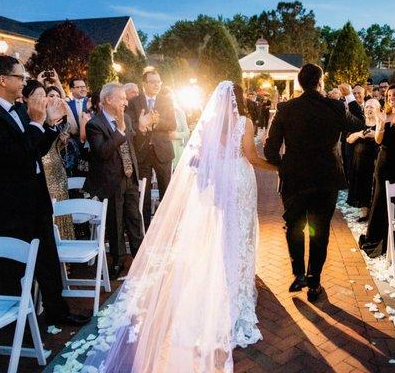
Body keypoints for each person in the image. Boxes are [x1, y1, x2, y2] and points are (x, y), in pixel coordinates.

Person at [75, 82, 275, 372]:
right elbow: (252, 157)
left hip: (220, 184)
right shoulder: (245, 122)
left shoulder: (208, 123)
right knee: (241, 235)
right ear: (239, 100)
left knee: (223, 234)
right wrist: (276, 167)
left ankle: (223, 284)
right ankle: (238, 290)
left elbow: (200, 159)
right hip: (240, 180)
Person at [0, 55, 89, 326]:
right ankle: (20, 322)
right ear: (3, 80)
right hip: (12, 203)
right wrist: (36, 123)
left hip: (37, 197)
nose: (24, 82)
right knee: (16, 266)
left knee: (48, 258)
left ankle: (57, 311)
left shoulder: (20, 109)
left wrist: (49, 126)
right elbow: (14, 157)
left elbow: (36, 149)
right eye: (19, 77)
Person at [264, 64, 363, 302]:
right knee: (319, 231)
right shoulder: (335, 107)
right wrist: (349, 96)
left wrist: (284, 165)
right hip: (325, 178)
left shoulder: (286, 109)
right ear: (320, 82)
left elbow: (270, 150)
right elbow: (359, 123)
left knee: (294, 225)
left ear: (299, 83)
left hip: (295, 179)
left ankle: (298, 273)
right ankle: (314, 280)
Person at [84, 83, 147, 278]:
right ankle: (118, 261)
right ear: (108, 100)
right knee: (116, 223)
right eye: (121, 98)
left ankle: (141, 257)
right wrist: (119, 131)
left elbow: (135, 146)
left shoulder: (127, 118)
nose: (125, 102)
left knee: (135, 219)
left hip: (130, 177)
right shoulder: (94, 124)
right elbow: (102, 152)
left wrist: (142, 130)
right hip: (111, 181)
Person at [359, 84, 395, 256]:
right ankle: (376, 239)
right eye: (389, 95)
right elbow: (378, 140)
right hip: (383, 162)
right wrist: (381, 123)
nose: (391, 98)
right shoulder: (384, 115)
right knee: (379, 199)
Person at [22, 81, 76, 241]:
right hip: (41, 168)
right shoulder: (26, 117)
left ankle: (66, 246)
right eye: (38, 95)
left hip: (56, 165)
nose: (43, 99)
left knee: (61, 206)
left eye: (43, 95)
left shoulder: (51, 114)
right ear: (25, 98)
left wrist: (53, 125)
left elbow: (72, 128)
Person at [128, 68, 176, 230]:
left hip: (162, 152)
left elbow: (172, 124)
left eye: (159, 82)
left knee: (167, 192)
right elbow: (130, 125)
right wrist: (143, 124)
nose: (157, 85)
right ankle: (146, 230)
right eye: (153, 82)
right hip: (142, 153)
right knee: (144, 194)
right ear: (144, 84)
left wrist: (156, 122)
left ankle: (167, 228)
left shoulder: (166, 100)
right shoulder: (134, 102)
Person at [345, 98, 380, 221]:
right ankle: (364, 212)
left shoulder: (381, 123)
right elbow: (348, 139)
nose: (369, 109)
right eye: (367, 107)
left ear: (378, 109)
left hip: (375, 159)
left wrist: (374, 134)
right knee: (361, 184)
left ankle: (375, 212)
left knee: (373, 185)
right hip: (360, 160)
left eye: (372, 107)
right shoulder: (360, 123)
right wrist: (360, 134)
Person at [171, 104, 190, 170]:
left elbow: (187, 132)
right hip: (163, 151)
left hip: (177, 151)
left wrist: (176, 135)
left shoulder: (179, 112)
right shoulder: (159, 110)